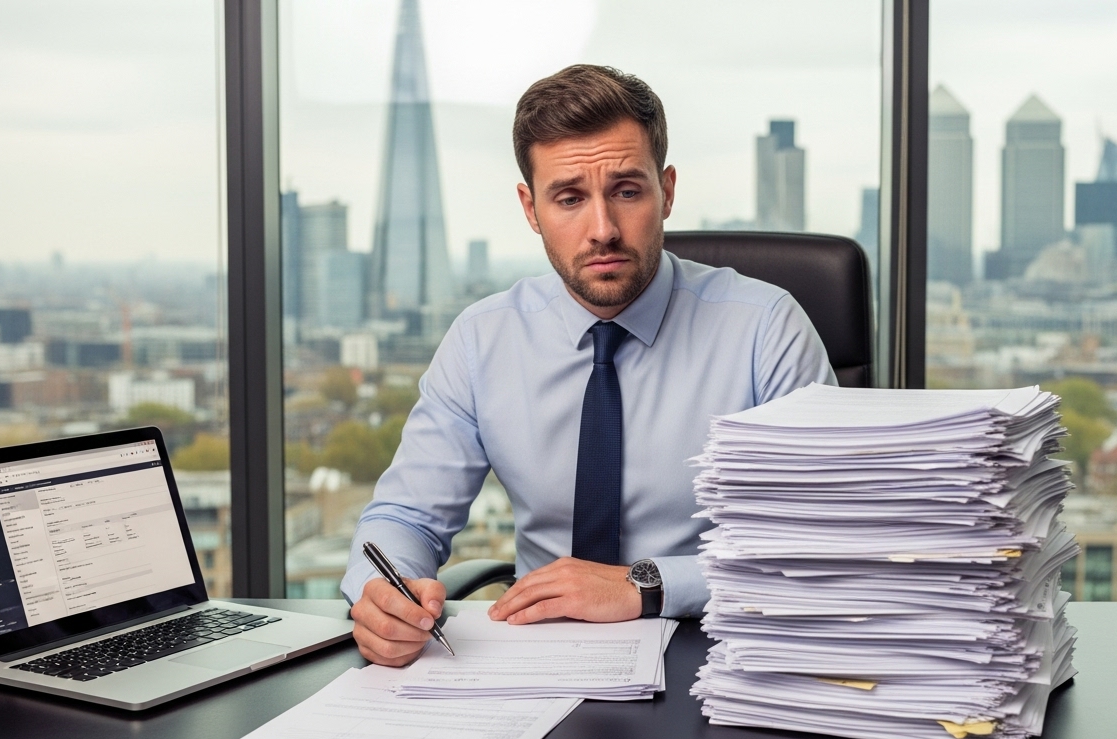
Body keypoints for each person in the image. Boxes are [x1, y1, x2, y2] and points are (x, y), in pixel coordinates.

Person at [340, 65, 836, 667]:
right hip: (535, 666)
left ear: (667, 190)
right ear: (530, 207)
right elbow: (404, 516)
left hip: (722, 657)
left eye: (627, 191)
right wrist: (381, 596)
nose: (602, 230)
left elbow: (816, 545)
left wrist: (645, 586)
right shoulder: (482, 340)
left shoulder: (765, 329)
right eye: (569, 198)